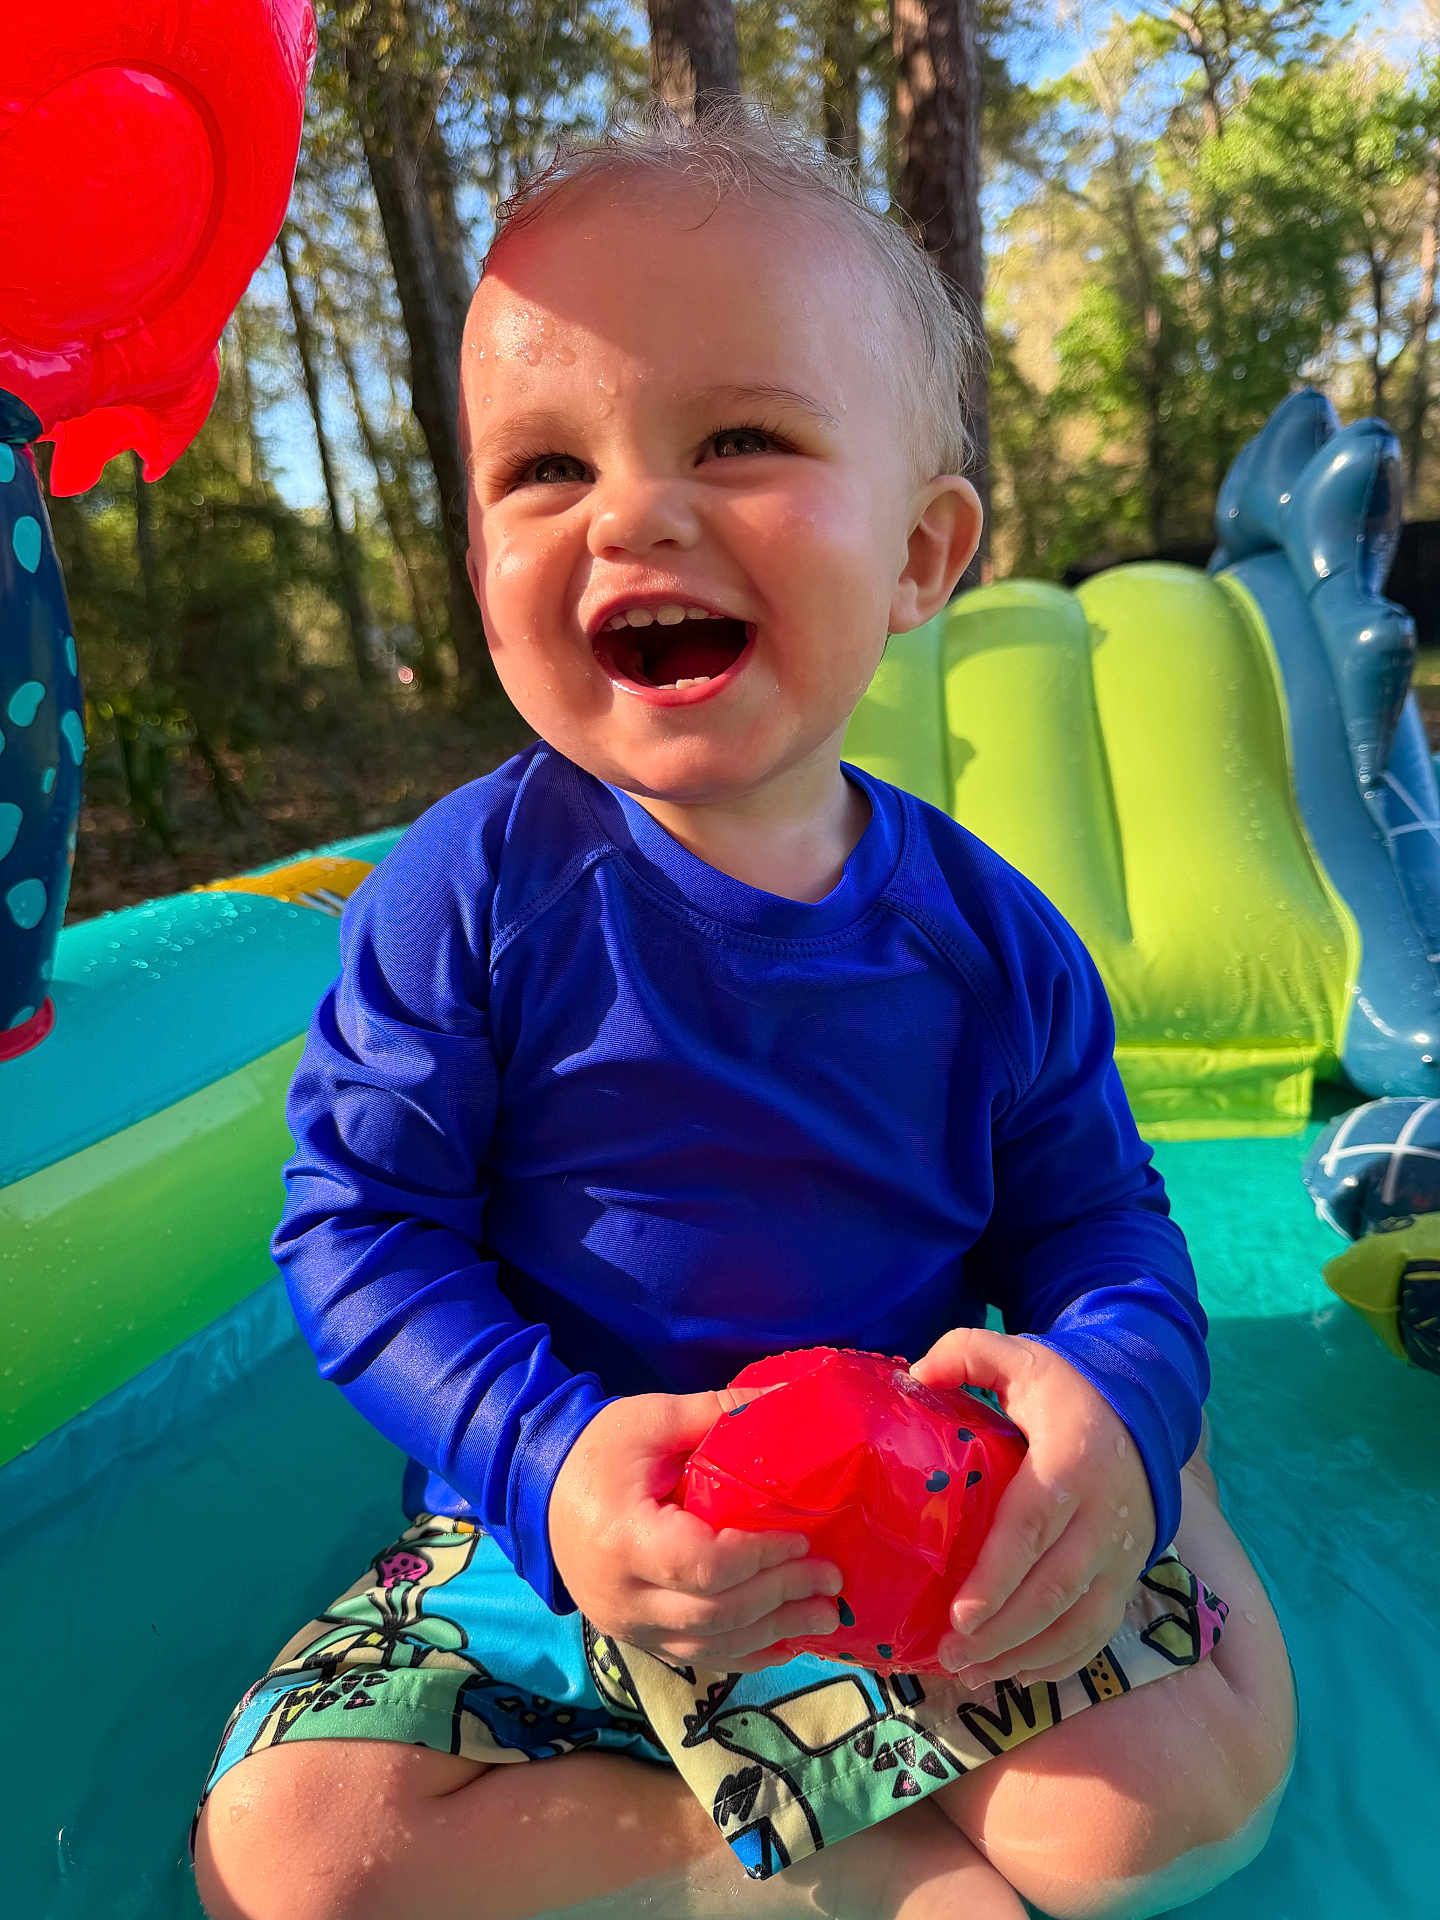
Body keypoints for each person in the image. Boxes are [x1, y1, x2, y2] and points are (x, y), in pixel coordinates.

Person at [192, 99, 1295, 1920]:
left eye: (740, 436)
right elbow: (360, 1235)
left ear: (925, 558)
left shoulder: (993, 945)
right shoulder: (462, 900)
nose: (635, 510)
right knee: (284, 1870)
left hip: (909, 1511)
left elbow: (1102, 1226)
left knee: (1152, 1816)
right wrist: (545, 1464)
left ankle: (1167, 1493)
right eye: (543, 471)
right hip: (554, 1517)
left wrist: (1115, 1392)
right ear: (481, 567)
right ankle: (807, 1862)